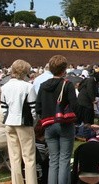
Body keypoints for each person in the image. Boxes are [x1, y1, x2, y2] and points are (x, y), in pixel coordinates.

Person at [36, 55, 79, 184]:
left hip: (48, 123)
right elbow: (75, 105)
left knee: (53, 159)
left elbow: (38, 107)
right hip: (64, 123)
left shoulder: (43, 85)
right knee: (64, 159)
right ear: (64, 69)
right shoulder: (67, 84)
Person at [1, 59, 38, 184]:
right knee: (29, 158)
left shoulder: (4, 87)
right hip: (24, 123)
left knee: (14, 157)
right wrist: (34, 122)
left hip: (9, 123)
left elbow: (4, 108)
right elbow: (33, 108)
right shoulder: (28, 86)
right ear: (25, 71)